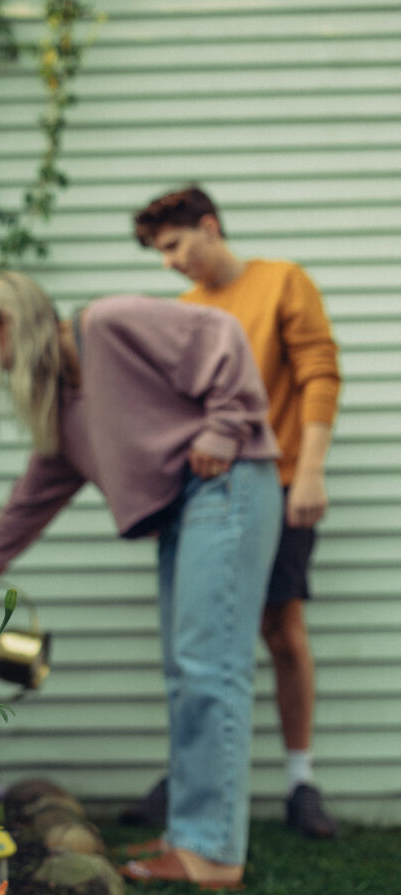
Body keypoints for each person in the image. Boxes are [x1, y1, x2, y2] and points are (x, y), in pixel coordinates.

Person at [0, 270, 282, 888]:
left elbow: (220, 333)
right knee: (187, 670)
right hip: (185, 508)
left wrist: (221, 426)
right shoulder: (65, 404)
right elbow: (34, 496)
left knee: (211, 666)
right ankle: (192, 833)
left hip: (228, 484)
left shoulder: (106, 324)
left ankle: (212, 853)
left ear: (10, 323)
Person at [130, 184, 342, 838]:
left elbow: (317, 373)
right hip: (209, 499)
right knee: (199, 644)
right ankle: (190, 777)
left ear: (209, 227)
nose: (168, 262)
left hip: (277, 485)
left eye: (172, 246)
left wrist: (306, 473)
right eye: (158, 253)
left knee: (280, 633)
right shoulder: (184, 310)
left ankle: (300, 782)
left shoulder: (282, 282)